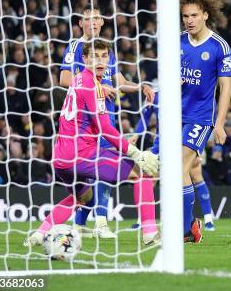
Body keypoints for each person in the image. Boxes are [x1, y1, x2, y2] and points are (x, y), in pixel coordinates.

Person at [23, 40, 160, 247]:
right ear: (84, 59)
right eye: (94, 56)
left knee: (83, 196)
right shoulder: (93, 86)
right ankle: (150, 234)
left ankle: (39, 234)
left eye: (104, 56)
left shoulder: (78, 79)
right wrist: (135, 153)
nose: (100, 61)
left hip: (61, 159)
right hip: (82, 154)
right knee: (143, 171)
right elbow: (106, 128)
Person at [60, 7, 154, 239]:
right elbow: (64, 79)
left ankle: (90, 223)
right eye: (87, 19)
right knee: (92, 174)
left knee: (102, 172)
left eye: (96, 18)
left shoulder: (105, 52)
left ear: (102, 22)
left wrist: (139, 87)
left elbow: (118, 80)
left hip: (107, 118)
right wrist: (100, 88)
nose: (92, 22)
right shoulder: (76, 47)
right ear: (80, 23)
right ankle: (91, 223)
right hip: (86, 122)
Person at [180, 0, 231, 241]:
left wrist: (219, 124)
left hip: (200, 117)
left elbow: (225, 88)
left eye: (193, 15)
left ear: (205, 15)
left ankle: (184, 230)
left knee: (181, 165)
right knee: (176, 169)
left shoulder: (219, 46)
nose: (189, 20)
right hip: (174, 115)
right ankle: (190, 225)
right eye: (185, 16)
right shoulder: (177, 42)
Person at [132, 91, 217, 232]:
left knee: (194, 175)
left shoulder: (192, 91)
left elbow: (207, 111)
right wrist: (136, 134)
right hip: (162, 144)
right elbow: (145, 117)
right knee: (148, 175)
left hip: (187, 142)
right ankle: (143, 220)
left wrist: (200, 146)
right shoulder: (156, 95)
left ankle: (208, 219)